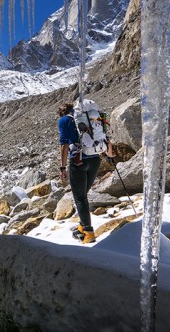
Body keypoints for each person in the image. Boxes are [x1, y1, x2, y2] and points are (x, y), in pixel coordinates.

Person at [57, 102, 114, 243]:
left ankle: (88, 233)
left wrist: (63, 167)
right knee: (83, 195)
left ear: (62, 113)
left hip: (78, 161)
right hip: (95, 159)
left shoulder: (64, 120)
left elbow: (64, 145)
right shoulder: (90, 117)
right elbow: (104, 137)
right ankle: (82, 227)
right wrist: (109, 154)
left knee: (80, 198)